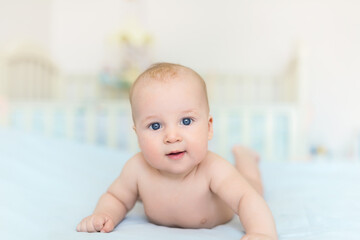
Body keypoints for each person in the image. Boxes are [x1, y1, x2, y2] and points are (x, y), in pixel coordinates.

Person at [76, 63, 278, 240]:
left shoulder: (213, 169)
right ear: (137, 135)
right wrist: (104, 214)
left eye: (186, 121)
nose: (172, 137)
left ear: (208, 128)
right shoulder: (136, 169)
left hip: (235, 193)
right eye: (155, 126)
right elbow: (116, 197)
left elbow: (246, 198)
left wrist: (262, 232)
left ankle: (246, 158)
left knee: (253, 187)